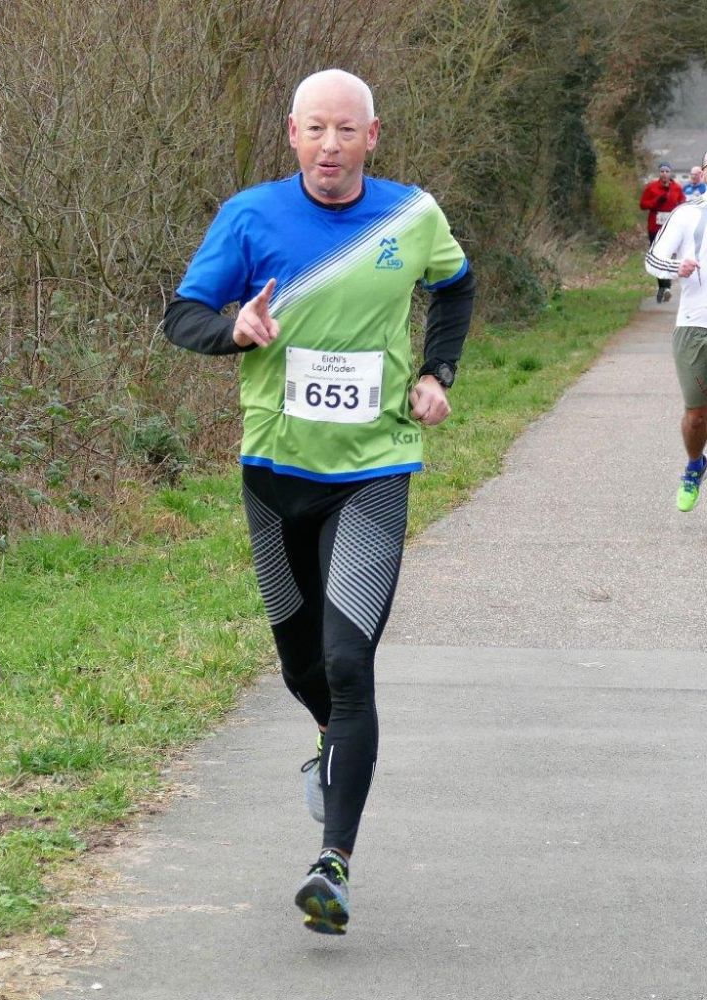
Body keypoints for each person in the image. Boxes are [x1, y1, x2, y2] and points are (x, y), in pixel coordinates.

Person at [163, 69, 475, 935]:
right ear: (292, 134)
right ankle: (333, 745)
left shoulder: (413, 215)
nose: (330, 146)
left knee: (346, 661)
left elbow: (456, 286)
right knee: (303, 668)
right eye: (315, 129)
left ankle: (332, 863)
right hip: (274, 474)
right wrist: (234, 329)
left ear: (372, 136)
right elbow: (182, 316)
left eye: (346, 130)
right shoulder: (250, 217)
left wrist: (437, 373)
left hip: (374, 469)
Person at [645, 149, 707, 512]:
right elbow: (653, 259)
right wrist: (676, 267)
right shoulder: (687, 214)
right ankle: (695, 464)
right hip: (695, 326)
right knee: (697, 417)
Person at [640, 162, 685, 302]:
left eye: (666, 171)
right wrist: (656, 201)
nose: (664, 174)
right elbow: (643, 205)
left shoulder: (677, 188)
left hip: (671, 227)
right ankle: (662, 287)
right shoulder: (651, 187)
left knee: (669, 255)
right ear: (659, 173)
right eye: (662, 171)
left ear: (670, 173)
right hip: (655, 227)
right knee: (658, 256)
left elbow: (683, 204)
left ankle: (666, 287)